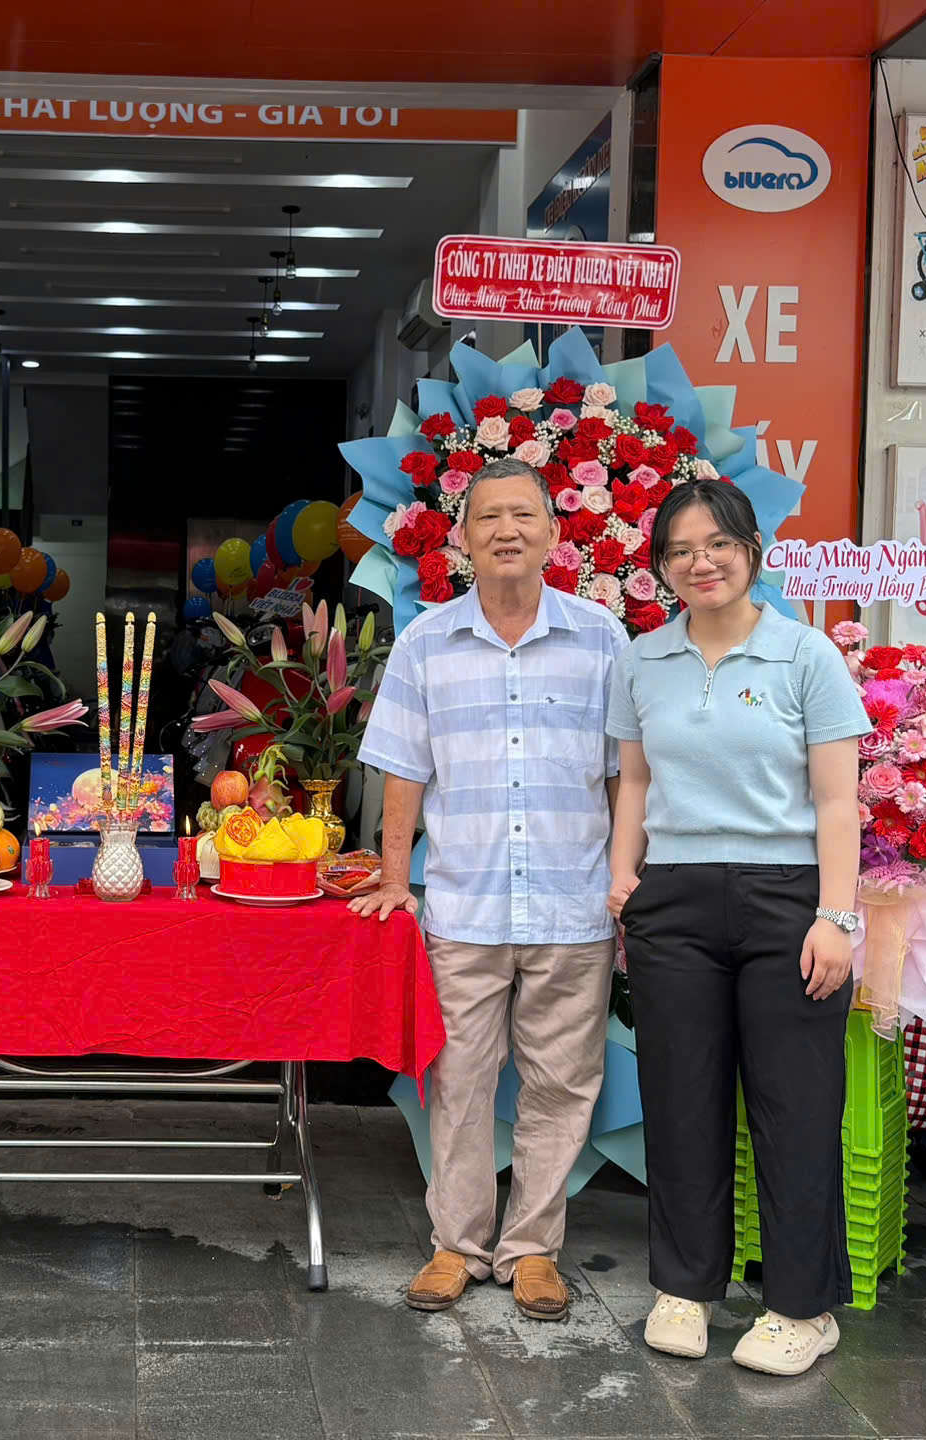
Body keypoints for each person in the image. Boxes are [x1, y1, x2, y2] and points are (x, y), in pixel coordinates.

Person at [353, 457, 628, 1323]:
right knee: (460, 1081)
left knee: (560, 1082)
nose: (506, 531)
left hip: (573, 902)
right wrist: (397, 880)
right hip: (465, 904)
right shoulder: (427, 640)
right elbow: (401, 771)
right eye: (487, 519)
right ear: (462, 539)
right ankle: (456, 1244)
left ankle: (534, 1249)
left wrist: (627, 880)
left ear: (554, 533)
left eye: (524, 516)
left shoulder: (602, 640)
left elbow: (628, 778)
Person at [605, 477, 869, 1376]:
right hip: (673, 899)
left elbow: (839, 800)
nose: (699, 562)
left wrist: (837, 916)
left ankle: (803, 1307)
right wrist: (622, 877)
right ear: (660, 567)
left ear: (751, 549)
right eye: (678, 550)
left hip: (788, 899)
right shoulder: (641, 660)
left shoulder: (805, 657)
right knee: (681, 1102)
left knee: (795, 1107)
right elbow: (633, 782)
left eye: (716, 543)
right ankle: (684, 1289)